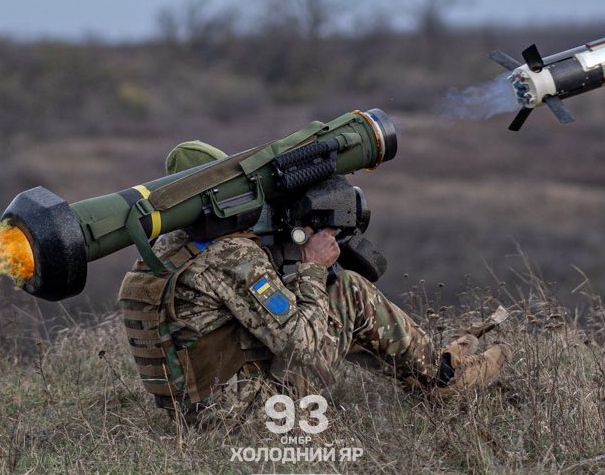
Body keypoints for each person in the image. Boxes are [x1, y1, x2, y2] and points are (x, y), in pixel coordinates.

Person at [117, 140, 506, 420]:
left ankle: (428, 379)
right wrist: (313, 267)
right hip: (251, 417)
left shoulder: (165, 250)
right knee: (348, 293)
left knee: (315, 304)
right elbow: (302, 347)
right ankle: (448, 380)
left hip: (195, 414)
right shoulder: (230, 256)